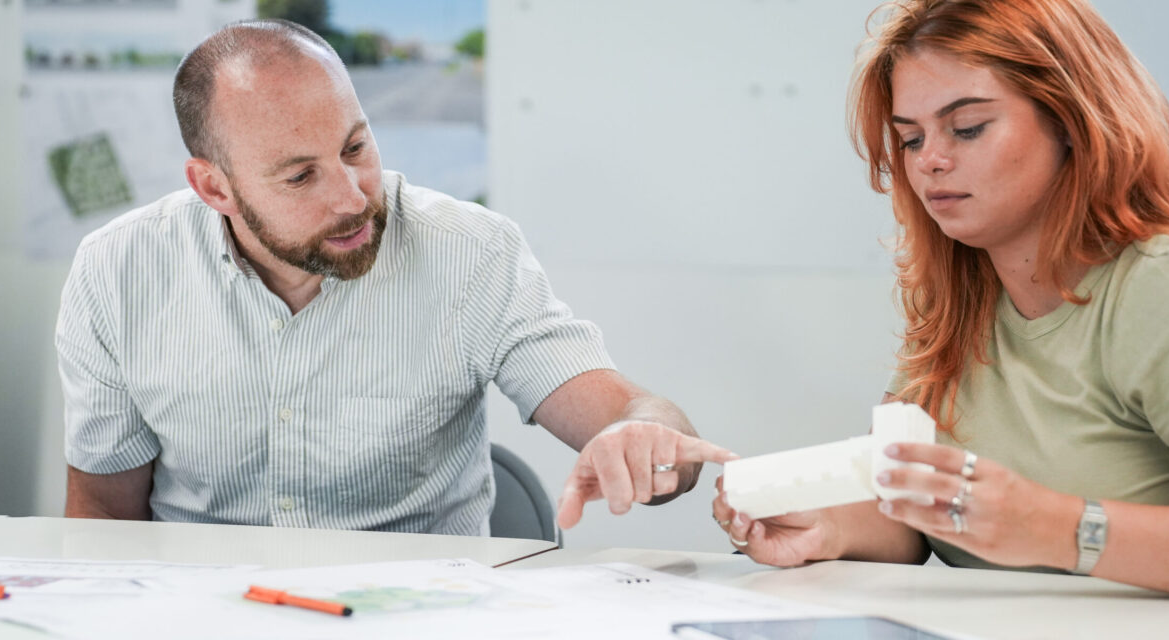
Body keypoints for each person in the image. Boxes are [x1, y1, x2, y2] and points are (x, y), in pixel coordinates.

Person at [56, 19, 734, 535]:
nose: (353, 196)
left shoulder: (470, 251)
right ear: (215, 189)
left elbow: (630, 414)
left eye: (356, 146)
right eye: (300, 176)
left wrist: (647, 438)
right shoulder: (119, 270)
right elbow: (103, 514)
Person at [712, 0, 1169, 600]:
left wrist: (1057, 529)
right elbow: (908, 510)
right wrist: (820, 524)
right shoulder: (961, 302)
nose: (930, 160)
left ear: (1071, 119)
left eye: (967, 128)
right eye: (910, 139)